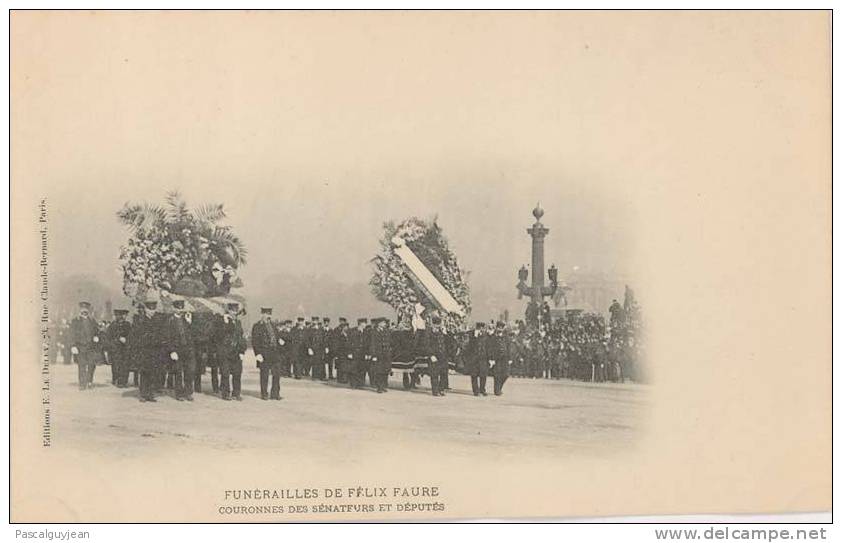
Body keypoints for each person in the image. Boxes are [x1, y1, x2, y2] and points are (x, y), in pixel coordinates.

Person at [130, 301, 163, 402]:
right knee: (144, 373)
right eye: (150, 309)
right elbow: (136, 335)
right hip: (144, 350)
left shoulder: (157, 320)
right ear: (146, 309)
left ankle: (150, 394)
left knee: (153, 372)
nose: (151, 311)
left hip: (154, 350)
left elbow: (160, 333)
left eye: (153, 309)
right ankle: (143, 394)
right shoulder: (141, 320)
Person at [217, 303, 246, 401]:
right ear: (228, 311)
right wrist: (225, 322)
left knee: (237, 374)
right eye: (232, 311)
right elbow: (219, 335)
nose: (234, 313)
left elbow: (240, 337)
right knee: (225, 374)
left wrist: (242, 351)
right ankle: (225, 393)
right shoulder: (221, 321)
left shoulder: (238, 322)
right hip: (225, 351)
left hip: (236, 352)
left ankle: (236, 393)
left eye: (235, 311)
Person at [252, 307, 282, 400]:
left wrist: (279, 341)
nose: (268, 316)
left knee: (277, 374)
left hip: (274, 353)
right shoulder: (257, 326)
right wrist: (257, 354)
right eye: (266, 314)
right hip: (264, 353)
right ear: (262, 315)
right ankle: (264, 393)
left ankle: (275, 394)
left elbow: (276, 337)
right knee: (264, 374)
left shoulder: (273, 325)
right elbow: (255, 341)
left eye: (269, 314)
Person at [69, 301, 100, 390]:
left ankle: (89, 381)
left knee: (91, 365)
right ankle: (82, 383)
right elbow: (71, 334)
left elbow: (97, 332)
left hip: (91, 347)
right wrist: (73, 345)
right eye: (83, 309)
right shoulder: (75, 321)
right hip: (80, 346)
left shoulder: (92, 321)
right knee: (81, 365)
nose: (84, 310)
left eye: (86, 309)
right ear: (80, 310)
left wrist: (97, 337)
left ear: (88, 310)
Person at [106, 309, 132, 387]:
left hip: (125, 348)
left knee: (125, 365)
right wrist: (117, 340)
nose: (121, 317)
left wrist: (127, 340)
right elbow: (109, 337)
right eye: (118, 315)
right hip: (115, 348)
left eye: (123, 315)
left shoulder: (128, 325)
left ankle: (124, 381)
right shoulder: (113, 325)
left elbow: (131, 335)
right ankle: (117, 380)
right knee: (116, 364)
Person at [487, 321, 513, 396]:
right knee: (497, 375)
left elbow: (509, 348)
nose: (500, 329)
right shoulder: (493, 337)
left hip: (505, 358)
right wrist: (491, 358)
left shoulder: (506, 337)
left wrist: (510, 358)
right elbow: (490, 348)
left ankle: (499, 388)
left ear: (503, 328)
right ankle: (497, 390)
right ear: (496, 327)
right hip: (496, 359)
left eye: (501, 328)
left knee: (506, 374)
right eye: (499, 327)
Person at [368, 317, 392, 393]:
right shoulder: (374, 332)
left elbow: (389, 342)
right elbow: (372, 344)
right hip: (378, 354)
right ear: (379, 324)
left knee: (385, 371)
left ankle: (383, 386)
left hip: (386, 354)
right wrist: (373, 355)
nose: (385, 324)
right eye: (383, 323)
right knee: (378, 371)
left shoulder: (386, 331)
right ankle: (379, 387)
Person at [467, 322, 487, 396]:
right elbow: (469, 347)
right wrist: (474, 337)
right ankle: (475, 391)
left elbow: (488, 346)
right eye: (479, 328)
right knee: (474, 375)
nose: (481, 330)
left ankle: (482, 390)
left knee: (483, 375)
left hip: (483, 358)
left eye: (482, 328)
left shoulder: (485, 336)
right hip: (474, 358)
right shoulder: (472, 335)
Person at [347, 318, 367, 389]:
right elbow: (349, 342)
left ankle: (360, 384)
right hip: (354, 352)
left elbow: (367, 344)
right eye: (364, 323)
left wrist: (367, 353)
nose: (365, 325)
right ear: (360, 324)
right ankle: (353, 384)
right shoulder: (353, 331)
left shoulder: (365, 332)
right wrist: (349, 352)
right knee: (354, 369)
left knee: (362, 369)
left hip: (362, 353)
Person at [331, 317, 349, 383]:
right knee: (339, 364)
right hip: (339, 350)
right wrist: (335, 351)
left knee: (345, 365)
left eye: (343, 322)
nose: (342, 323)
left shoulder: (348, 331)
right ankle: (339, 378)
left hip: (346, 351)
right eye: (341, 321)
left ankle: (345, 378)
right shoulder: (336, 330)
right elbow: (334, 341)